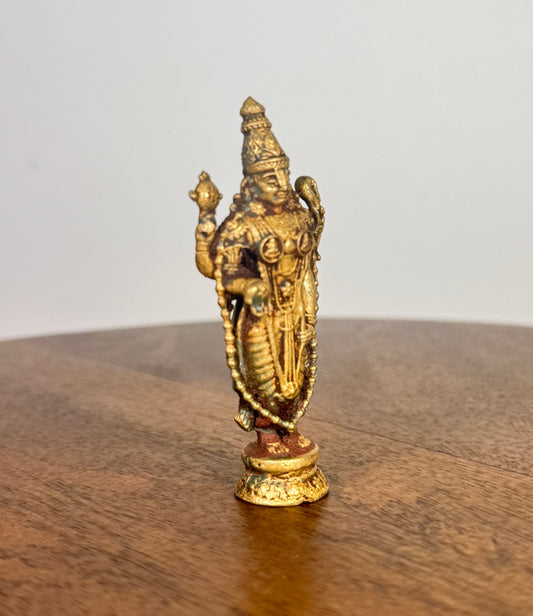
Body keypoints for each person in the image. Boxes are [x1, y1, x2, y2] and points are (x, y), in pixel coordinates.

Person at [190, 97, 324, 459]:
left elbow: (308, 258)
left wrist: (308, 307)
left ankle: (288, 427)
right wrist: (206, 216)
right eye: (269, 177)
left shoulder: (297, 217)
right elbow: (213, 267)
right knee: (264, 376)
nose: (280, 183)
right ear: (251, 183)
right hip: (261, 317)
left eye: (283, 174)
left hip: (295, 311)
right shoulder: (244, 224)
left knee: (296, 373)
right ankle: (267, 434)